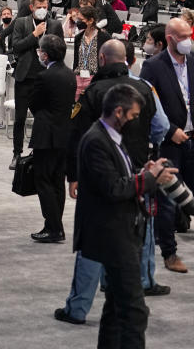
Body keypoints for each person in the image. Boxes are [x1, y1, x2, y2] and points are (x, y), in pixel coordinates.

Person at [72, 84, 177, 349]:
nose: (134, 122)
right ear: (118, 112)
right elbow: (114, 188)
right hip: (111, 235)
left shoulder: (111, 139)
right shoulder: (96, 141)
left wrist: (144, 171)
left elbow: (122, 177)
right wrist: (150, 178)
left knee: (115, 307)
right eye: (132, 116)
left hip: (119, 233)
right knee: (134, 310)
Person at [139, 17, 194, 274]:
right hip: (170, 144)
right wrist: (169, 130)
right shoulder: (152, 66)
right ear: (171, 38)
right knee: (168, 203)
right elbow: (145, 104)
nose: (190, 41)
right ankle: (170, 254)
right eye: (184, 37)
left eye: (191, 36)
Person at [26, 35, 77, 243]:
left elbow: (34, 103)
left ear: (45, 54)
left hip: (46, 135)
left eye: (40, 51)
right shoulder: (69, 74)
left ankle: (54, 227)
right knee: (56, 181)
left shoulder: (44, 76)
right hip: (64, 133)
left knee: (43, 181)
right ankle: (55, 226)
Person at [10, 0, 64, 170]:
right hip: (25, 77)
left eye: (44, 6)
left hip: (45, 78)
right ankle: (17, 153)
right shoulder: (20, 22)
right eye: (39, 7)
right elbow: (16, 47)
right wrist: (34, 34)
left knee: (42, 118)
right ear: (32, 7)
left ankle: (37, 152)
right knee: (19, 118)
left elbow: (60, 50)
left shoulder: (55, 24)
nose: (42, 10)